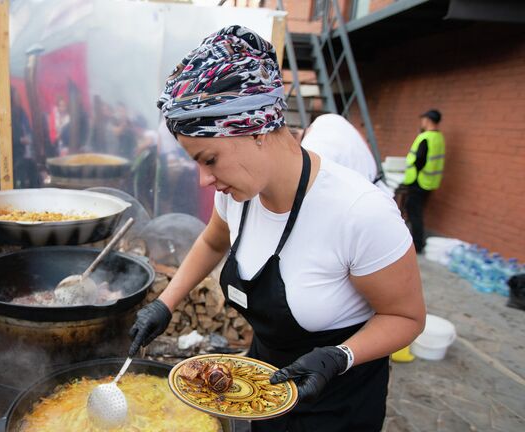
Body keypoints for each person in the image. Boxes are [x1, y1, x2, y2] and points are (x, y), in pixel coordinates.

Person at [127, 26, 425, 431]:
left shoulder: (359, 212)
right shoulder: (236, 195)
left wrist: (341, 355)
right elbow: (213, 240)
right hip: (264, 392)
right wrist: (165, 303)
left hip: (337, 406)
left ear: (257, 129)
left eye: (209, 159)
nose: (203, 180)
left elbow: (406, 317)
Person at [301, 113, 392, 197]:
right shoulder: (327, 119)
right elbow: (363, 139)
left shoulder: (310, 148)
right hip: (378, 191)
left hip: (363, 200)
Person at [403, 109, 445, 253]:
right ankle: (416, 241)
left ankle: (417, 244)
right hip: (430, 182)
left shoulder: (425, 137)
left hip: (418, 181)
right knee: (417, 210)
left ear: (427, 120)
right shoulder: (439, 138)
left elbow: (419, 159)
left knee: (414, 211)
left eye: (423, 119)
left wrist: (415, 171)